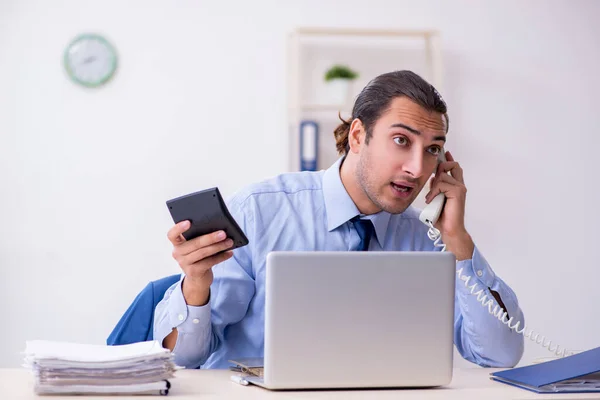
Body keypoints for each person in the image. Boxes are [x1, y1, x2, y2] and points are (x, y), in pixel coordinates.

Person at [153, 70, 525, 370]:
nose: (416, 168)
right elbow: (186, 358)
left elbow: (500, 355)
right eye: (401, 141)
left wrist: (458, 241)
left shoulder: (428, 236)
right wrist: (197, 284)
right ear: (359, 135)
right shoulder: (259, 211)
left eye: (432, 149)